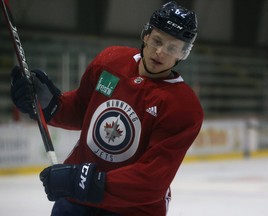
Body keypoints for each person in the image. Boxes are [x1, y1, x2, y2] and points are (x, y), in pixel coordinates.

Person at [10, 1, 203, 215]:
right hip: (77, 202)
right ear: (146, 35)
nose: (160, 52)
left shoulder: (184, 107)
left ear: (182, 54)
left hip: (133, 209)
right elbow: (83, 109)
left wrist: (82, 181)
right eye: (157, 40)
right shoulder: (111, 62)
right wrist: (51, 106)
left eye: (172, 48)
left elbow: (151, 178)